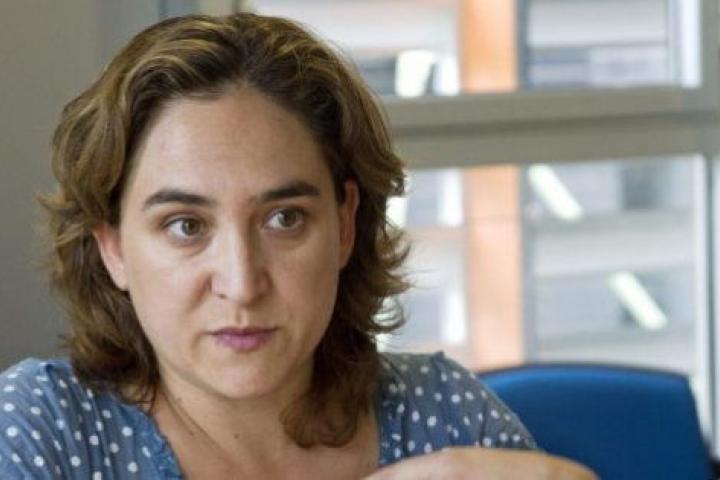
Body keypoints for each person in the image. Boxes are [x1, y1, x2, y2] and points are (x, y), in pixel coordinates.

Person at [0, 12, 597, 479]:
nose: (242, 283)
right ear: (113, 248)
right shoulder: (40, 430)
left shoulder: (444, 413)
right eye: (186, 226)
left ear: (344, 225)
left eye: (284, 219)